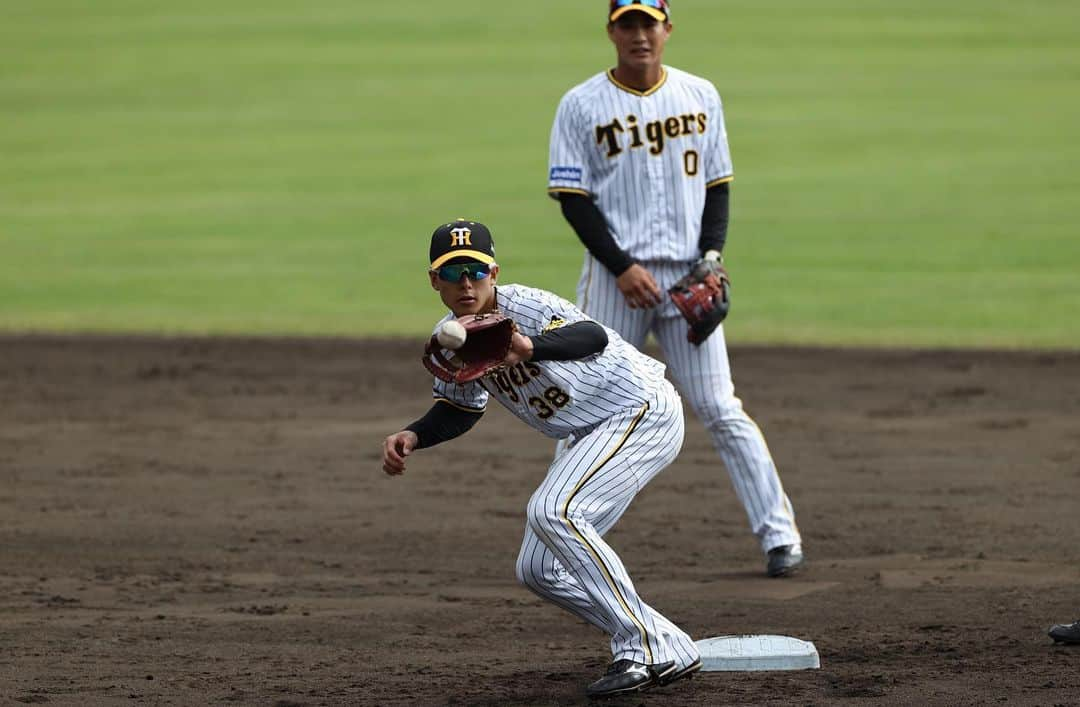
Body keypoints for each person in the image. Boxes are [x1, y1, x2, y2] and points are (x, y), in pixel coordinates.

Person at [381, 219, 703, 696]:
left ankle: (646, 644)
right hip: (589, 432)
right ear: (435, 280)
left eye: (475, 270)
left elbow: (591, 336)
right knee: (539, 569)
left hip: (638, 410)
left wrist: (530, 347)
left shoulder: (525, 306)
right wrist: (414, 435)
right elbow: (459, 407)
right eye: (453, 274)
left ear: (494, 272)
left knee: (556, 511)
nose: (465, 283)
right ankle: (667, 641)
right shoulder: (450, 336)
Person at [546, 0, 804, 577]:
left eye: (649, 23)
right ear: (611, 30)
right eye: (627, 24)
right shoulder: (581, 104)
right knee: (588, 412)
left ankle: (779, 535)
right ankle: (565, 537)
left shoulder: (699, 95)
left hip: (687, 279)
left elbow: (718, 186)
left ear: (667, 29)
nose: (639, 35)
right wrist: (620, 266)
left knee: (719, 406)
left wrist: (711, 257)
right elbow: (572, 197)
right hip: (617, 283)